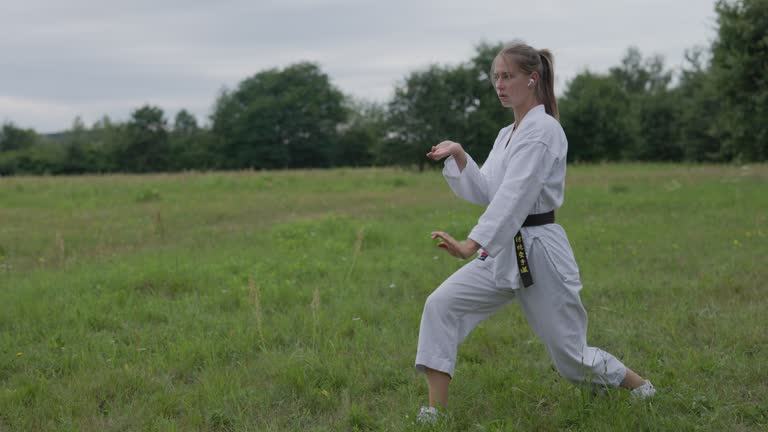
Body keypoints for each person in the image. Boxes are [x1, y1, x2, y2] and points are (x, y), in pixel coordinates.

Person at [414, 41, 656, 423]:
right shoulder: (506, 134)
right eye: (496, 77)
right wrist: (461, 156)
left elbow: (514, 197)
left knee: (571, 358)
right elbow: (487, 191)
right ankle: (433, 413)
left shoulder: (543, 131)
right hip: (504, 249)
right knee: (441, 305)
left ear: (532, 78)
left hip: (539, 249)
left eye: (507, 76)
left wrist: (470, 244)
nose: (500, 84)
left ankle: (641, 388)